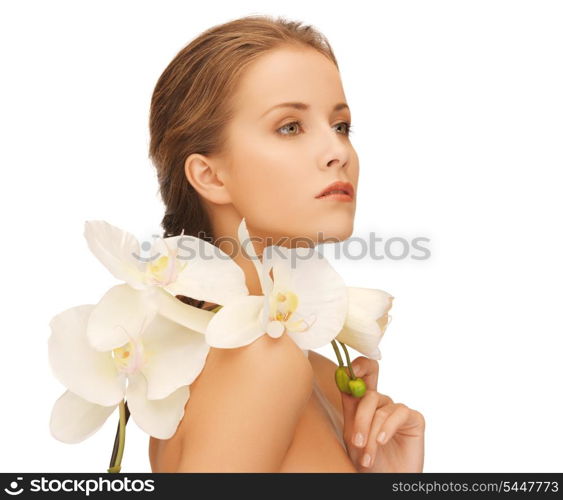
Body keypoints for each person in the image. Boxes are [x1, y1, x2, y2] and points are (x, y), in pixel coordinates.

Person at [147, 15, 425, 472]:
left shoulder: (310, 367)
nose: (339, 152)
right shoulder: (261, 360)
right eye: (290, 127)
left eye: (341, 125)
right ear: (210, 175)